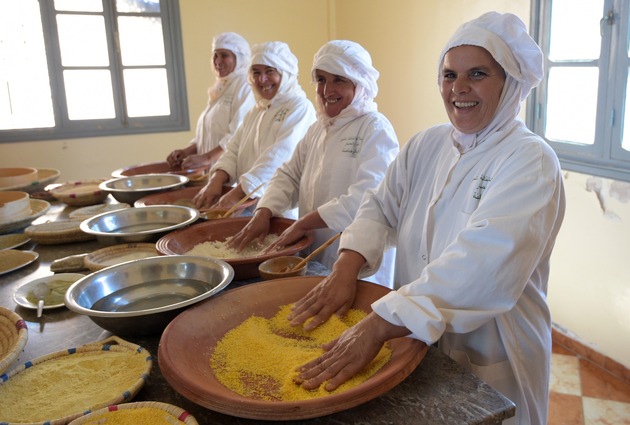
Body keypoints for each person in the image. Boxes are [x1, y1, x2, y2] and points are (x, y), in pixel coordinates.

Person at [288, 12, 566, 425]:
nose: (459, 89)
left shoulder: (530, 160)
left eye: (477, 74)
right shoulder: (428, 144)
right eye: (449, 75)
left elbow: (484, 263)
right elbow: (380, 205)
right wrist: (347, 266)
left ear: (510, 82)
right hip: (413, 331)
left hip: (493, 345)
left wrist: (382, 322)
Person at [228, 40, 399, 287]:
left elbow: (369, 197)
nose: (327, 90)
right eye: (321, 80)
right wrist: (264, 212)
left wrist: (306, 222)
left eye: (339, 79)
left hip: (358, 261)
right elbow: (289, 174)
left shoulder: (375, 128)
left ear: (359, 82)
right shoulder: (318, 128)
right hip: (315, 249)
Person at [193, 41, 316, 212]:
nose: (262, 79)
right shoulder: (257, 110)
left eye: (270, 71)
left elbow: (278, 157)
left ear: (285, 73)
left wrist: (238, 194)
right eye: (256, 72)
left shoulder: (299, 107)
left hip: (279, 209)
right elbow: (234, 149)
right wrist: (216, 180)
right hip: (247, 203)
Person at [166, 32, 255, 170]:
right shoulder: (221, 86)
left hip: (231, 172)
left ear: (240, 58)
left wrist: (207, 158)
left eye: (224, 55)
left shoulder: (245, 85)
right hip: (211, 172)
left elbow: (238, 134)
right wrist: (187, 151)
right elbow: (210, 132)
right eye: (215, 55)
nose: (218, 61)